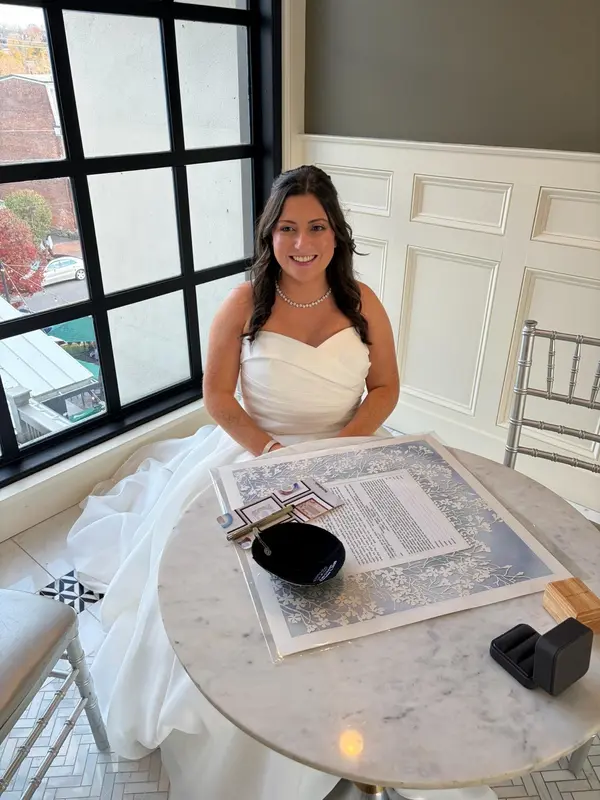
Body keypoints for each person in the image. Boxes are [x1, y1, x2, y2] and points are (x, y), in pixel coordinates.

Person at [67, 165, 400, 800]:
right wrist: (273, 453)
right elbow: (218, 398)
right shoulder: (244, 303)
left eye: (317, 227)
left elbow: (385, 387)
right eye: (287, 228)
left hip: (347, 448)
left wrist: (342, 448)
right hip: (256, 451)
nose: (302, 243)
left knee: (372, 577)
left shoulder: (363, 301)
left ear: (336, 233)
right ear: (269, 235)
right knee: (248, 597)